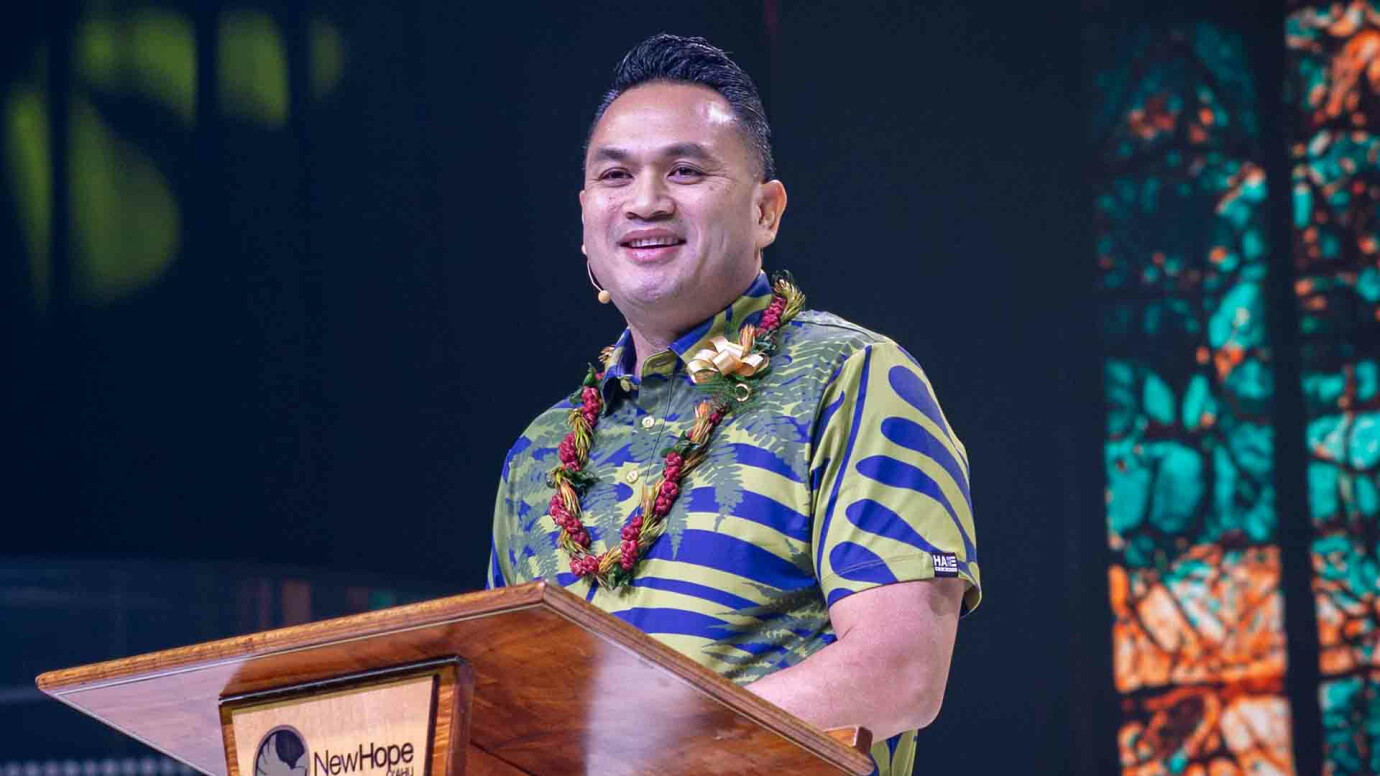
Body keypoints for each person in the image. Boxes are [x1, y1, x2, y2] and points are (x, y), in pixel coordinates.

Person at [487, 33, 980, 776]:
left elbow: (898, 674)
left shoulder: (849, 377)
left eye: (685, 170)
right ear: (585, 219)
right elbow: (497, 720)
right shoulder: (537, 454)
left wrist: (645, 753)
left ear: (765, 212)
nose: (646, 202)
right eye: (615, 175)